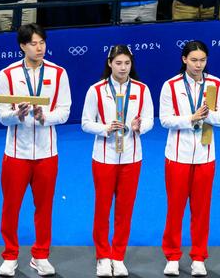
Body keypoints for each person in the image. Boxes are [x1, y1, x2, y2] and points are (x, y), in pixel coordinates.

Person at [0, 24, 72, 278]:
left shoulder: (59, 73)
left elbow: (64, 111)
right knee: (11, 206)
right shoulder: (7, 74)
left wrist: (44, 116)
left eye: (42, 43)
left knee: (44, 206)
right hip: (16, 152)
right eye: (33, 44)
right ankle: (10, 255)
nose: (39, 48)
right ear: (22, 46)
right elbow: (2, 117)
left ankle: (40, 255)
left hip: (47, 153)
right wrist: (17, 115)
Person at [159, 40, 220, 277]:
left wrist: (208, 115)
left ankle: (198, 256)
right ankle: (172, 255)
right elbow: (165, 120)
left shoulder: (216, 84)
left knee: (201, 209)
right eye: (194, 60)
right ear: (184, 60)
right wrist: (190, 118)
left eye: (202, 60)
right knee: (175, 208)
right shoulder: (170, 86)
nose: (198, 65)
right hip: (177, 157)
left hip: (205, 156)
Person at [81, 45, 154, 278]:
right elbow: (85, 122)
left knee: (125, 209)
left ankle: (118, 256)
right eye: (119, 63)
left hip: (132, 157)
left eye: (127, 63)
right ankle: (103, 256)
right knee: (102, 209)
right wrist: (105, 128)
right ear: (110, 63)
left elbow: (151, 119)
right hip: (104, 157)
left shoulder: (142, 89)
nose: (123, 68)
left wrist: (139, 126)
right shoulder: (96, 90)